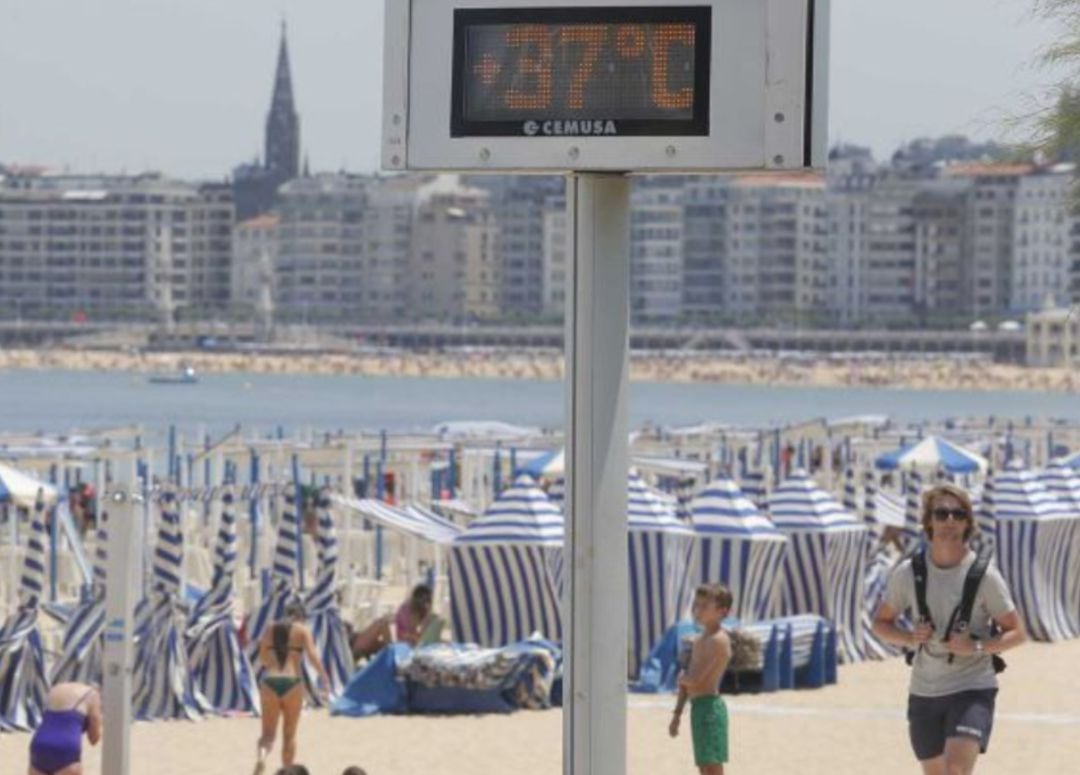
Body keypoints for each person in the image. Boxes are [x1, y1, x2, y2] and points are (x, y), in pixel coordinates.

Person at [872, 483, 1026, 775]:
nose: (950, 521)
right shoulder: (908, 573)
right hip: (924, 690)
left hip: (972, 687)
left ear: (968, 522)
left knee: (955, 771)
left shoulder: (985, 576)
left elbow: (1017, 633)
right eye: (941, 513)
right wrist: (908, 638)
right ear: (928, 521)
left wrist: (976, 647)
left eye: (958, 514)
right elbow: (880, 623)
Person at [255, 600, 331, 775]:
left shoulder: (270, 628)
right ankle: (286, 771)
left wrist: (274, 661)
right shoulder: (302, 630)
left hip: (270, 681)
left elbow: (263, 658)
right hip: (292, 683)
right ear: (300, 616)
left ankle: (262, 757)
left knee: (268, 734)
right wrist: (324, 677)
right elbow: (313, 656)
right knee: (289, 734)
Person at [669, 584, 733, 775]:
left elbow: (695, 680)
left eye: (705, 605)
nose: (698, 610)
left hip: (711, 708)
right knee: (703, 767)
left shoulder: (719, 640)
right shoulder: (698, 640)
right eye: (697, 605)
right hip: (698, 707)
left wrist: (683, 678)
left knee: (712, 766)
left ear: (722, 611)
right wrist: (677, 714)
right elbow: (688, 682)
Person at [350, 583, 444, 661]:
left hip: (405, 648)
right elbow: (416, 636)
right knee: (380, 625)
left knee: (381, 624)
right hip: (404, 647)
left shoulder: (411, 612)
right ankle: (359, 652)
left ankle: (358, 653)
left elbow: (417, 638)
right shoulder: (410, 612)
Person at [28, 682, 102, 775]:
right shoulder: (92, 694)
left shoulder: (56, 688)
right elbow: (94, 739)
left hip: (40, 744)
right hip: (65, 747)